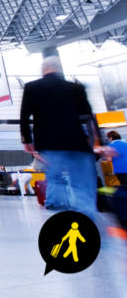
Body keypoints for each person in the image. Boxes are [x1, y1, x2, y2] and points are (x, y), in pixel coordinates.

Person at [21, 56, 105, 219]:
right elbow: (88, 116)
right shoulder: (76, 87)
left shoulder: (32, 87)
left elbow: (25, 115)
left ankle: (60, 217)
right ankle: (88, 220)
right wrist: (99, 142)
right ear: (59, 69)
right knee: (82, 186)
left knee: (56, 181)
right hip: (77, 143)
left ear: (43, 69)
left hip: (50, 144)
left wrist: (27, 140)